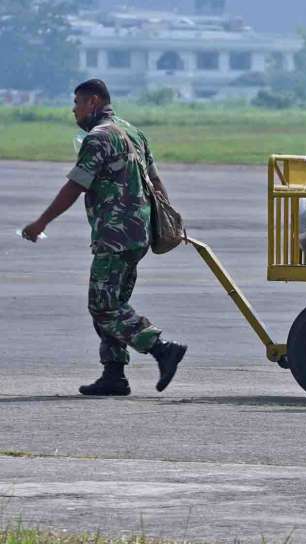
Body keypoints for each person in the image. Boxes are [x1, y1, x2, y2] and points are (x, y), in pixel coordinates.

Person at [20, 79, 187, 396]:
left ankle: (162, 348)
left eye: (77, 103)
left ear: (93, 102)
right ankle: (114, 375)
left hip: (115, 235)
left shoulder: (99, 138)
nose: (74, 110)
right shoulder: (132, 132)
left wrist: (41, 222)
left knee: (102, 306)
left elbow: (76, 185)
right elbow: (155, 181)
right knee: (115, 303)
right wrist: (169, 222)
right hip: (138, 234)